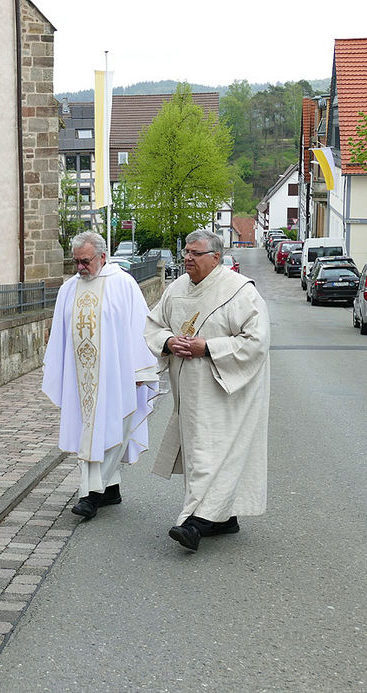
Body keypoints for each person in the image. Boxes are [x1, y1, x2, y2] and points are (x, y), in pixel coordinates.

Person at [145, 230, 270, 552]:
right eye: (186, 252)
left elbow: (256, 341)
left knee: (212, 455)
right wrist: (169, 342)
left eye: (195, 253)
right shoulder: (176, 289)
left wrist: (209, 347)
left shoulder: (239, 291)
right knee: (200, 451)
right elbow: (154, 326)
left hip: (227, 392)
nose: (187, 258)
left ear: (215, 257)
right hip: (188, 391)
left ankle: (194, 523)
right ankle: (223, 519)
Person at [42, 231, 159, 521]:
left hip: (116, 376)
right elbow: (59, 334)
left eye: (85, 261)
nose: (80, 268)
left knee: (112, 429)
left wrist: (141, 370)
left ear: (102, 257)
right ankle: (109, 490)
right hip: (80, 379)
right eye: (76, 262)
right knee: (90, 431)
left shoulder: (123, 284)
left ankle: (90, 494)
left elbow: (139, 327)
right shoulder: (69, 288)